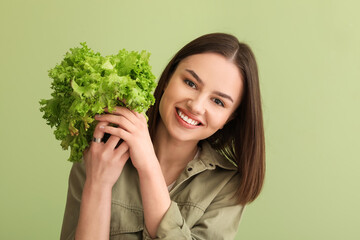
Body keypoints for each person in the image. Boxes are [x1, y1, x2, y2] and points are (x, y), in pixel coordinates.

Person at [60, 33, 265, 240]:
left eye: (218, 102)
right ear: (167, 79)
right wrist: (99, 184)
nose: (196, 106)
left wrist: (149, 166)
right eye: (190, 83)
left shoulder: (227, 185)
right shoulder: (102, 149)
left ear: (229, 119)